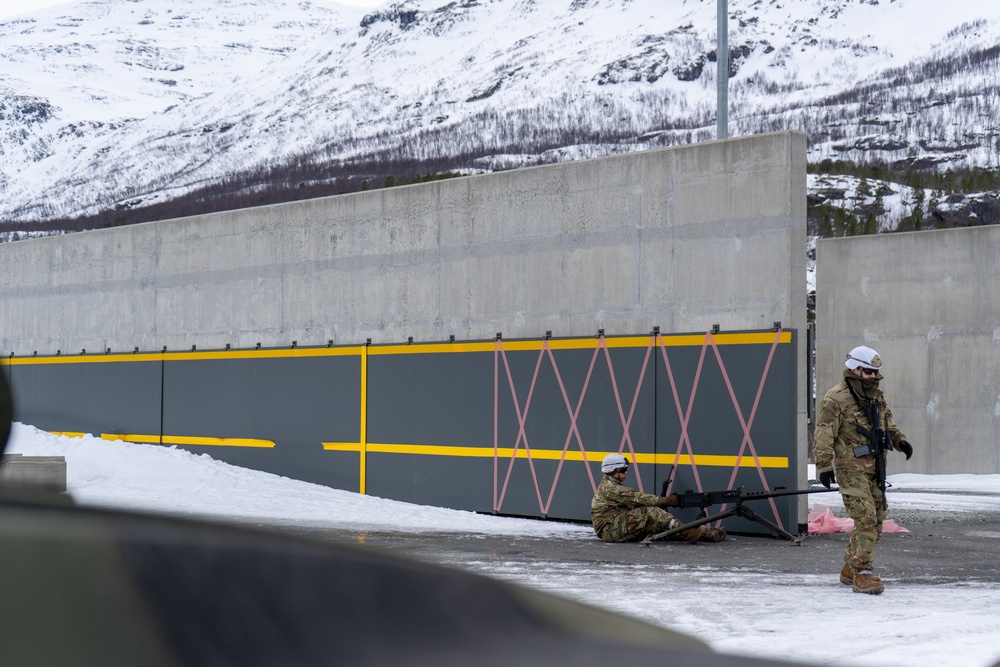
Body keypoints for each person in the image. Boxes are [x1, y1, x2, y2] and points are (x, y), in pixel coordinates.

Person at [813, 345, 914, 595]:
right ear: (855, 369)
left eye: (875, 372)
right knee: (866, 519)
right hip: (851, 470)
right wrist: (824, 466)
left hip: (875, 469)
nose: (874, 376)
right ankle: (862, 573)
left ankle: (849, 568)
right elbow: (824, 433)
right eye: (869, 371)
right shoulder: (836, 398)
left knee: (877, 522)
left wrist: (899, 441)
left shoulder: (876, 396)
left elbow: (886, 424)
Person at [591, 453, 726, 543]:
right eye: (623, 470)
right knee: (650, 512)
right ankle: (688, 531)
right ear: (613, 471)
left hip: (616, 527)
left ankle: (703, 534)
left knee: (657, 525)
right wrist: (663, 500)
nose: (626, 473)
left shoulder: (613, 486)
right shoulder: (609, 487)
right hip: (608, 530)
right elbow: (637, 498)